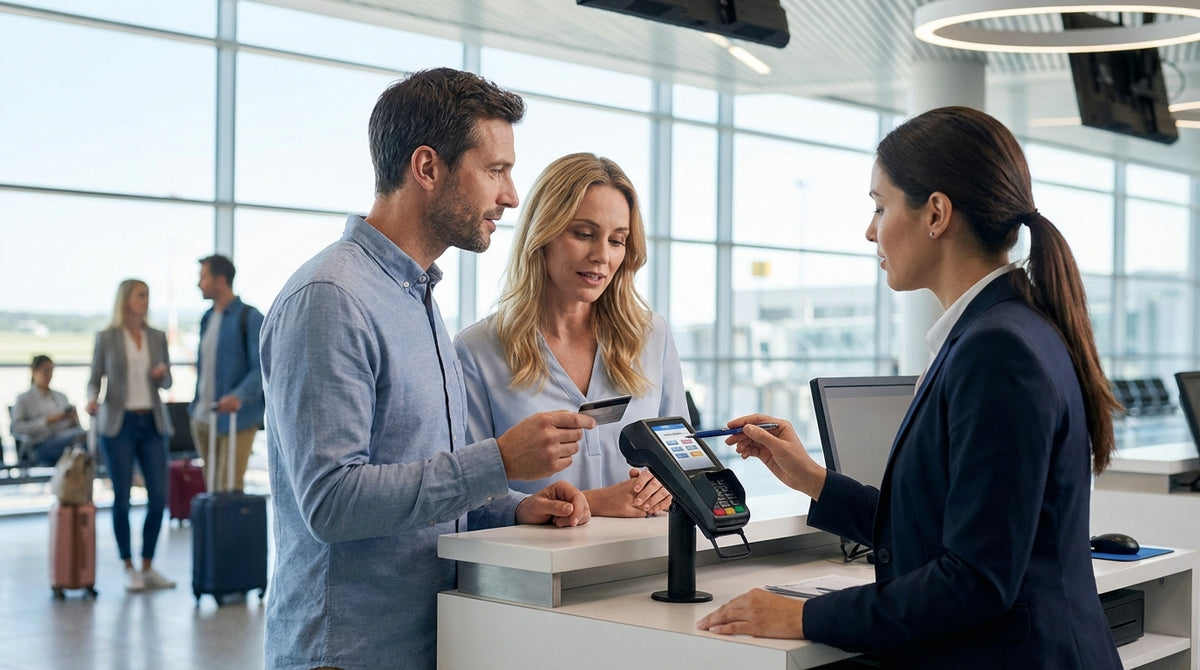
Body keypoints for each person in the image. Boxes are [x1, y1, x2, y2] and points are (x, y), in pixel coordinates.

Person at [697, 106, 1123, 669]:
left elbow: (975, 578)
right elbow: (945, 529)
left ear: (936, 213)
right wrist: (814, 480)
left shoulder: (998, 349)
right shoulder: (1004, 329)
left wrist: (801, 615)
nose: (870, 230)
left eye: (880, 206)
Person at [260, 67, 597, 670]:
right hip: (347, 654)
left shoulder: (416, 297)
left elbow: (418, 486)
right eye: (495, 170)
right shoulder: (331, 298)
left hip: (426, 641)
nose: (511, 195)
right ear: (427, 167)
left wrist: (511, 506)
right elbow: (332, 502)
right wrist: (499, 461)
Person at [455, 152, 685, 517]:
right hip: (537, 570)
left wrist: (671, 485)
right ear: (542, 233)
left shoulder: (652, 335)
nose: (601, 256)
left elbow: (683, 463)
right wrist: (591, 505)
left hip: (650, 564)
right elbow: (465, 498)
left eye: (617, 240)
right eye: (583, 234)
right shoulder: (477, 350)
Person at [85, 279, 176, 592]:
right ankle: (128, 565)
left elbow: (168, 384)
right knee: (121, 497)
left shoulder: (157, 336)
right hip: (118, 425)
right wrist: (91, 398)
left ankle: (148, 565)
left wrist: (161, 376)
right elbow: (94, 378)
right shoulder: (107, 338)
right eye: (140, 295)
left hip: (152, 422)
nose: (146, 300)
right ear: (125, 300)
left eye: (148, 295)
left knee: (159, 497)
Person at [188, 254, 264, 491]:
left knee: (228, 487)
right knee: (211, 486)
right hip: (203, 416)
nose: (199, 284)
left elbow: (261, 368)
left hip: (236, 418)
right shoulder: (207, 318)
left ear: (220, 280)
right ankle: (213, 529)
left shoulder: (249, 318)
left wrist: (238, 396)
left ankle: (228, 529)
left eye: (203, 277)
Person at [11, 354, 86, 466]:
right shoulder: (24, 400)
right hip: (41, 445)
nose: (49, 375)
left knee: (88, 438)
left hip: (66, 439)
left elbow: (76, 427)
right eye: (45, 371)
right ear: (34, 371)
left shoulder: (61, 396)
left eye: (51, 371)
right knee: (86, 438)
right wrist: (46, 421)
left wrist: (72, 419)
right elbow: (15, 428)